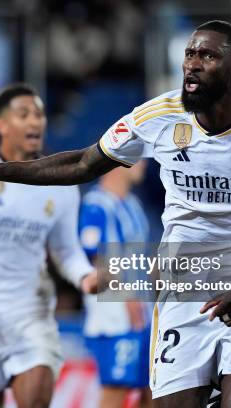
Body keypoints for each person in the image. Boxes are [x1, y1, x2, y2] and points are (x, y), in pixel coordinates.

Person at [0, 20, 231, 408]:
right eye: (190, 54)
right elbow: (81, 164)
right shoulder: (156, 116)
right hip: (183, 297)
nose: (193, 63)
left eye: (208, 55)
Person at [0, 83, 97, 408]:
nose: (35, 122)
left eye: (39, 114)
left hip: (31, 314)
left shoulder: (61, 185)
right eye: (24, 114)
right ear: (1, 124)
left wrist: (86, 277)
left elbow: (66, 250)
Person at [78, 161, 153, 408]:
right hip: (114, 312)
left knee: (152, 386)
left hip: (143, 309)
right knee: (116, 386)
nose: (144, 163)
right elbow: (97, 259)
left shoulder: (133, 204)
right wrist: (128, 295)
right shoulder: (96, 204)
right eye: (139, 156)